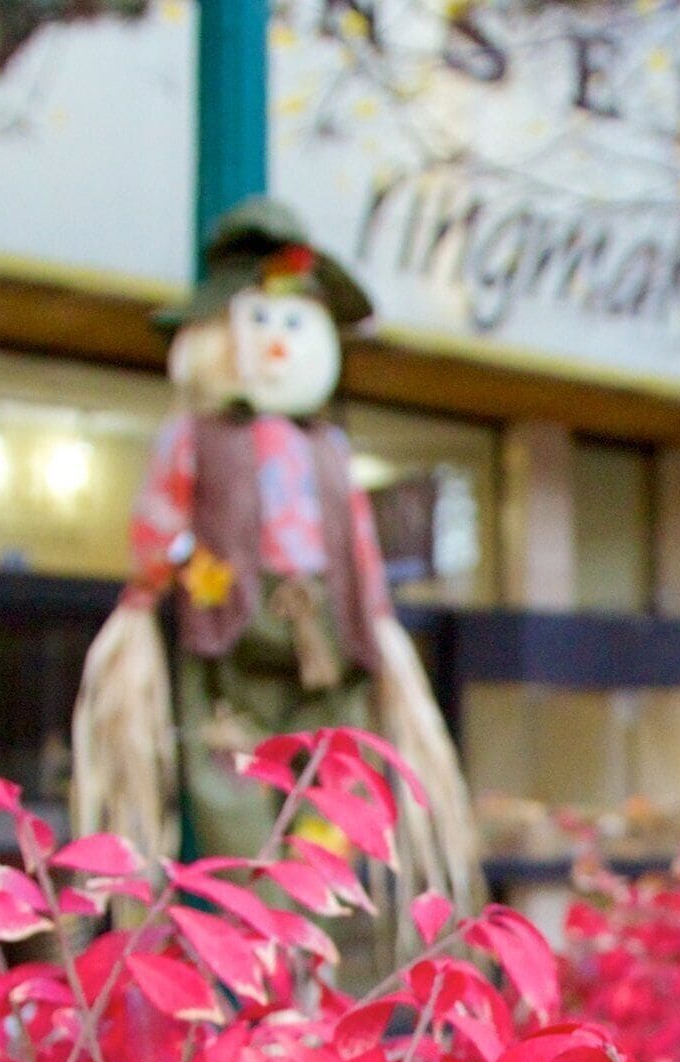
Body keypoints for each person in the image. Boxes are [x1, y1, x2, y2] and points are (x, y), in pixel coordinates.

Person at [71, 197, 479, 921]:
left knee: (342, 766)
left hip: (328, 631)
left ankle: (312, 893)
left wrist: (376, 618)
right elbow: (160, 518)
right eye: (258, 323)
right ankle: (256, 913)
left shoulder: (329, 448)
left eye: (293, 324)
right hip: (230, 621)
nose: (277, 342)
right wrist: (152, 589)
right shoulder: (195, 435)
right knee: (224, 768)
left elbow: (356, 537)